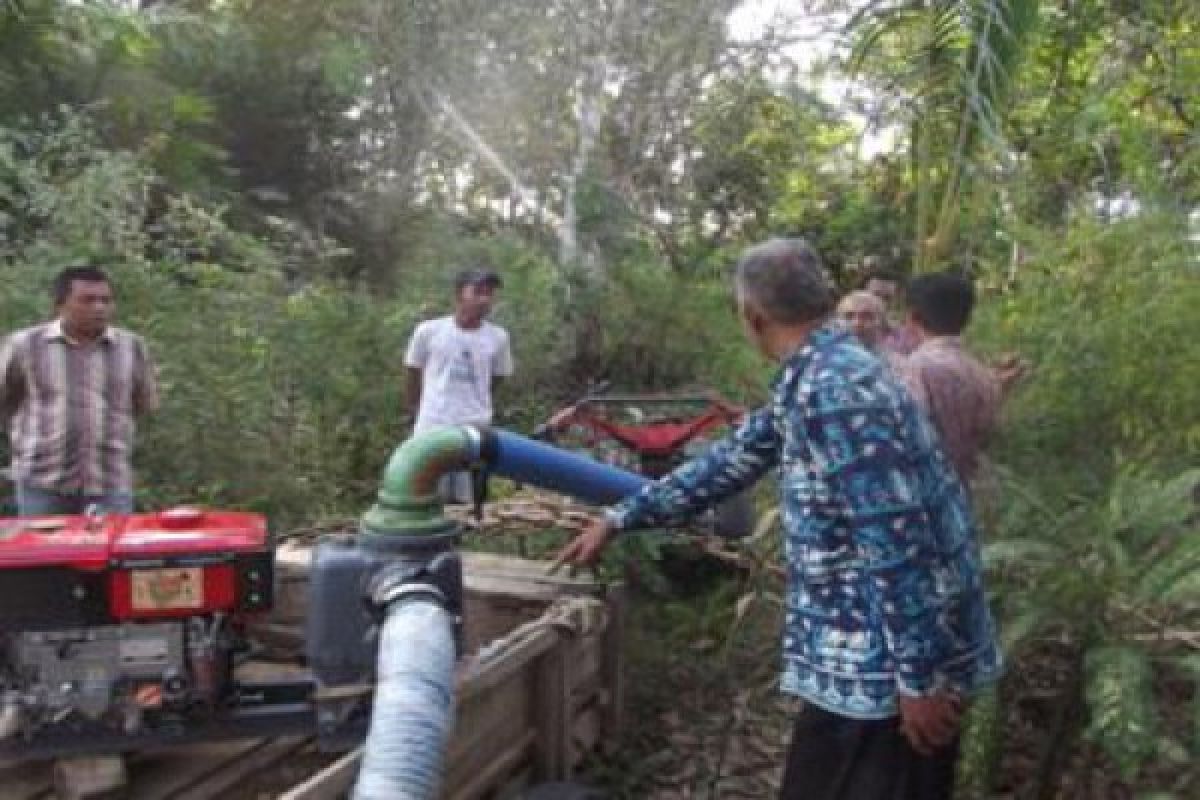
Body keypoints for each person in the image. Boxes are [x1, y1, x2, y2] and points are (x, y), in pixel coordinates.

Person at [555, 239, 1001, 800]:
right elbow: (733, 458)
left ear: (753, 316)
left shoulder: (839, 390)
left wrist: (918, 679)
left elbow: (896, 538)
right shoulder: (818, 372)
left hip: (885, 670)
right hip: (866, 658)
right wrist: (622, 516)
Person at [0, 265, 159, 516]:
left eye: (105, 300)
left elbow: (142, 403)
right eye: (87, 300)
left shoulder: (130, 347)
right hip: (43, 482)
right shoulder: (25, 345)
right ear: (61, 304)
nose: (99, 307)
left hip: (109, 480)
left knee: (109, 553)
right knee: (47, 554)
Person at [404, 268, 514, 503]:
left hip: (474, 427)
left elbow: (498, 376)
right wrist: (417, 409)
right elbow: (413, 371)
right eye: (477, 292)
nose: (484, 300)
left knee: (468, 498)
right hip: (433, 424)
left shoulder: (498, 337)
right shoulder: (429, 331)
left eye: (489, 294)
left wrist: (477, 400)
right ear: (459, 295)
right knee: (427, 493)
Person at [895, 272, 1001, 485]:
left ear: (912, 318)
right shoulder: (980, 371)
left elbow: (905, 435)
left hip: (926, 487)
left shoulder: (916, 368)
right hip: (968, 483)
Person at [865, 271, 919, 356]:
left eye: (887, 298)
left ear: (895, 300)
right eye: (875, 295)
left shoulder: (907, 337)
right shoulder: (842, 333)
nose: (879, 301)